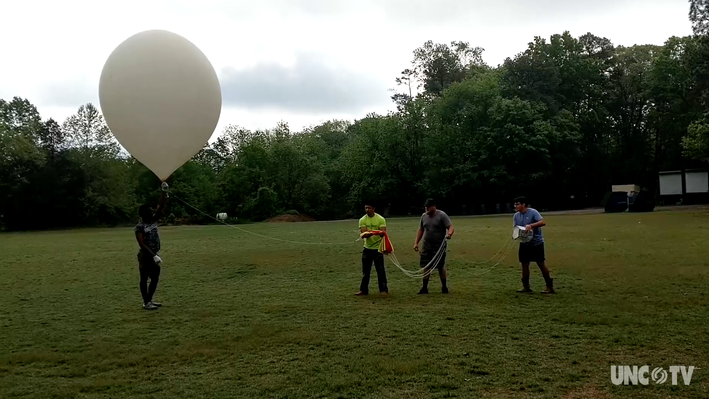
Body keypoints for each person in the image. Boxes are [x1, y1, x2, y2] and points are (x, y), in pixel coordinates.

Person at [135, 187, 168, 310]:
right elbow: (142, 244)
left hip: (154, 253)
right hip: (145, 256)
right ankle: (146, 302)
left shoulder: (153, 220)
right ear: (144, 213)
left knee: (155, 277)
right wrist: (153, 256)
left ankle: (149, 300)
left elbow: (161, 206)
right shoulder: (140, 227)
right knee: (144, 278)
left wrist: (164, 193)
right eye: (149, 211)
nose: (152, 212)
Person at [513, 196, 554, 294]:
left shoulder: (533, 212)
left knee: (540, 264)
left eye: (517, 204)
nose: (515, 206)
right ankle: (526, 286)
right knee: (524, 264)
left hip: (536, 243)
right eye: (515, 204)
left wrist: (531, 225)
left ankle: (549, 286)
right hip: (524, 243)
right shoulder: (516, 216)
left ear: (523, 204)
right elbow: (516, 228)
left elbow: (542, 222)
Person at [413, 198, 454, 294]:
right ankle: (424, 288)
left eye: (428, 207)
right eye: (425, 207)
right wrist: (416, 243)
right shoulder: (424, 216)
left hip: (439, 246)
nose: (426, 209)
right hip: (426, 246)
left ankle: (444, 287)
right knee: (426, 266)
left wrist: (449, 234)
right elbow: (421, 229)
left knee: (440, 266)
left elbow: (450, 227)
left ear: (434, 206)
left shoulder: (442, 215)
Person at [355, 202, 389, 297]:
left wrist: (378, 233)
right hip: (367, 248)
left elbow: (383, 233)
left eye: (369, 208)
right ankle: (363, 290)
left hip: (378, 249)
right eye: (365, 208)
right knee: (366, 271)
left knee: (380, 270)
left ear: (373, 208)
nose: (367, 210)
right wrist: (368, 234)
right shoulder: (362, 220)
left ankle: (383, 289)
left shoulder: (380, 219)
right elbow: (363, 233)